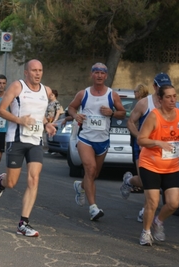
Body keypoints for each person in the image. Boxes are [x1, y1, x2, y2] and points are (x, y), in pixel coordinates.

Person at [0, 59, 57, 237]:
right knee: (12, 183)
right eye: (34, 70)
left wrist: (47, 125)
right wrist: (21, 121)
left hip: (35, 141)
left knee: (34, 179)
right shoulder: (17, 87)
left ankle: (23, 223)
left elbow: (39, 115)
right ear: (26, 72)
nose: (37, 73)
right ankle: (2, 181)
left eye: (40, 70)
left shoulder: (46, 90)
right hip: (16, 139)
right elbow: (1, 111)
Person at [68, 62, 126, 221]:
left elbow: (123, 113)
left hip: (103, 140)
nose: (99, 75)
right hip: (85, 138)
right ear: (91, 75)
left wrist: (112, 112)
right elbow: (71, 108)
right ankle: (93, 207)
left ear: (106, 76)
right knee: (90, 168)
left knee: (94, 174)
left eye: (102, 73)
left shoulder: (112, 95)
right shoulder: (83, 94)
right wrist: (75, 115)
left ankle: (80, 187)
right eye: (96, 72)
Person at [137, 84, 179, 246]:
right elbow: (141, 139)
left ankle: (158, 221)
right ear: (159, 99)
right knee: (152, 202)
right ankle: (146, 232)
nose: (173, 100)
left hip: (171, 166)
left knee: (174, 202)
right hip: (150, 164)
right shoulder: (154, 116)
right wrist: (157, 142)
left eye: (174, 96)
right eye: (168, 97)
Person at [120, 75, 171, 223]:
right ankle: (129, 181)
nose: (165, 89)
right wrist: (139, 138)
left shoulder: (170, 103)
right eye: (162, 86)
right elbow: (130, 122)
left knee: (157, 182)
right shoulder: (144, 103)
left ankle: (145, 210)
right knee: (145, 181)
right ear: (155, 87)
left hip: (162, 148)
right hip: (143, 147)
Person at [45, 89, 62, 155]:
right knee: (48, 134)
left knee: (53, 134)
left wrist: (55, 120)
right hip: (47, 120)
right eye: (50, 95)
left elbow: (58, 112)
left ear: (55, 96)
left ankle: (55, 149)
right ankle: (50, 149)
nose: (50, 96)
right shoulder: (49, 103)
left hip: (53, 120)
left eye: (52, 95)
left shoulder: (56, 103)